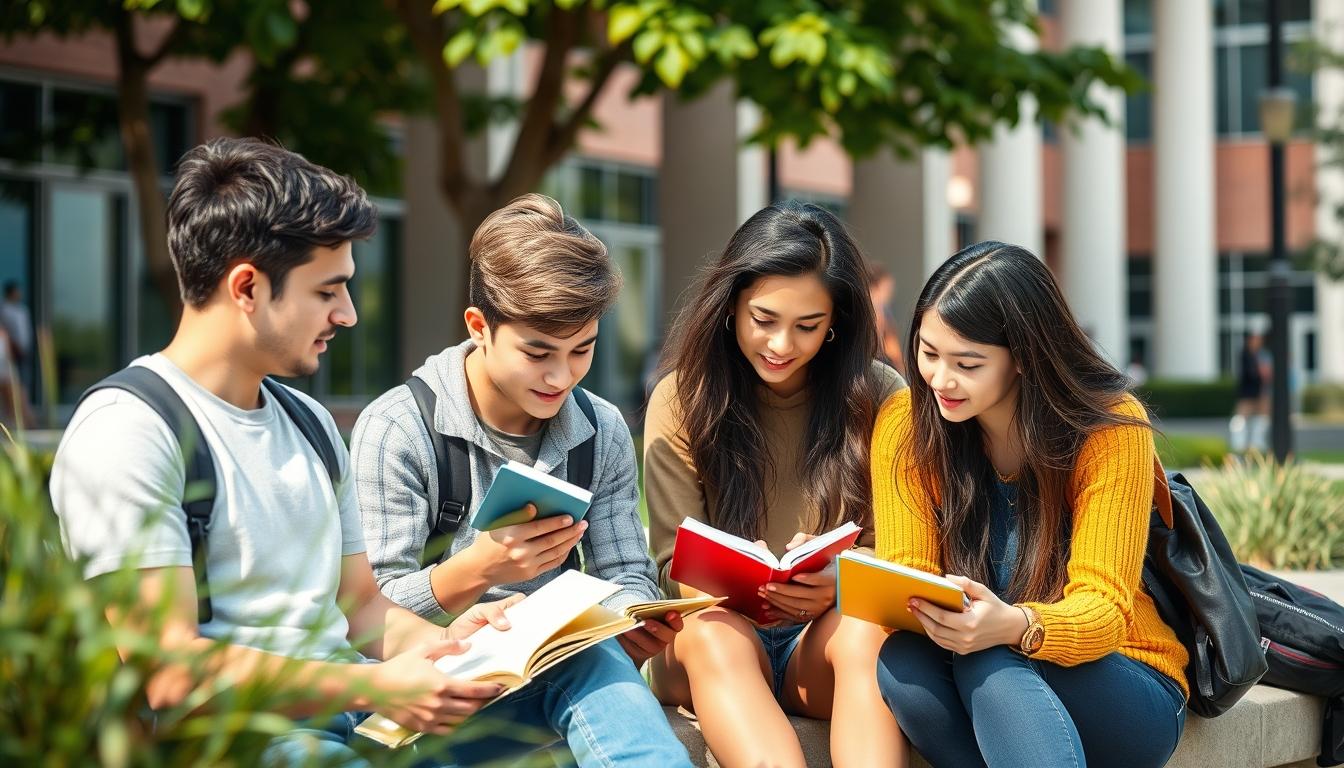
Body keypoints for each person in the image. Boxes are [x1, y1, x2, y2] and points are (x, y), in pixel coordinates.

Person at [50, 138, 515, 767]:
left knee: (579, 672)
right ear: (247, 287)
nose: (348, 315)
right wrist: (377, 686)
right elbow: (167, 671)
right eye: (328, 291)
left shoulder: (311, 422)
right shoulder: (129, 430)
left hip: (357, 715)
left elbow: (362, 610)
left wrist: (449, 643)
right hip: (242, 740)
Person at [351, 193, 692, 767]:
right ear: (479, 327)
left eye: (582, 350)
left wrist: (634, 619)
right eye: (538, 353)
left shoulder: (599, 428)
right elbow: (366, 612)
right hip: (421, 690)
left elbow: (625, 567)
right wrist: (476, 569)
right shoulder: (398, 428)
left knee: (596, 659)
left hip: (551, 676)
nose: (561, 376)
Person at [871, 241, 1190, 768]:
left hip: (1122, 676)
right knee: (903, 662)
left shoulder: (1107, 428)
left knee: (986, 658)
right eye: (928, 353)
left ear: (1022, 358)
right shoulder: (908, 423)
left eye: (967, 363)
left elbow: (1105, 610)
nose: (940, 380)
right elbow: (910, 572)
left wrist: (1016, 624)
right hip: (984, 665)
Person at [644, 200, 908, 768]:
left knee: (866, 630)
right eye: (764, 320)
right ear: (731, 305)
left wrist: (841, 580)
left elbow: (906, 551)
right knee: (715, 632)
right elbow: (672, 565)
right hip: (710, 632)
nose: (782, 345)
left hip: (819, 643)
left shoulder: (881, 395)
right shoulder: (682, 397)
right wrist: (744, 586)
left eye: (808, 326)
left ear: (835, 321)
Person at [1230, 331, 1271, 454]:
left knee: (1262, 418)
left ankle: (1257, 443)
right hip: (1247, 393)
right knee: (1241, 419)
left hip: (1259, 392)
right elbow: (1250, 374)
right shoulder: (1245, 355)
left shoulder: (1261, 355)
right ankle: (1239, 444)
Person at [867, 261, 905, 373]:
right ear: (875, 286)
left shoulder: (883, 310)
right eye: (887, 289)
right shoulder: (876, 310)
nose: (890, 294)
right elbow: (891, 347)